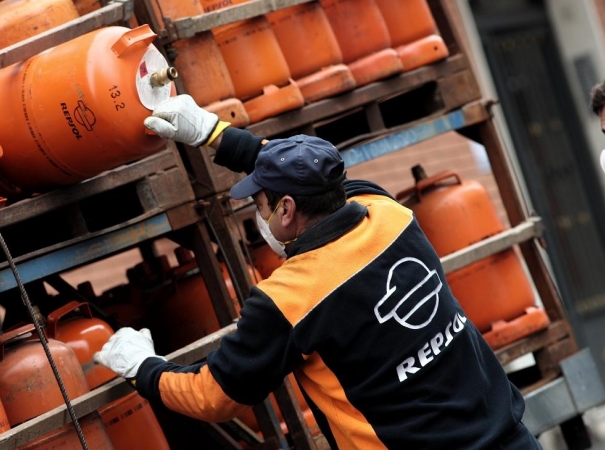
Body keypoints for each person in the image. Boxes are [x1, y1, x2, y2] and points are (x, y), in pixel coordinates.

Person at [94, 95, 541, 449]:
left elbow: (216, 394)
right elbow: (325, 179)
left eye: (260, 202)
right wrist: (214, 133)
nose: (258, 210)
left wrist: (142, 367)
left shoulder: (291, 297)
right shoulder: (389, 214)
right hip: (510, 437)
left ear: (286, 210)